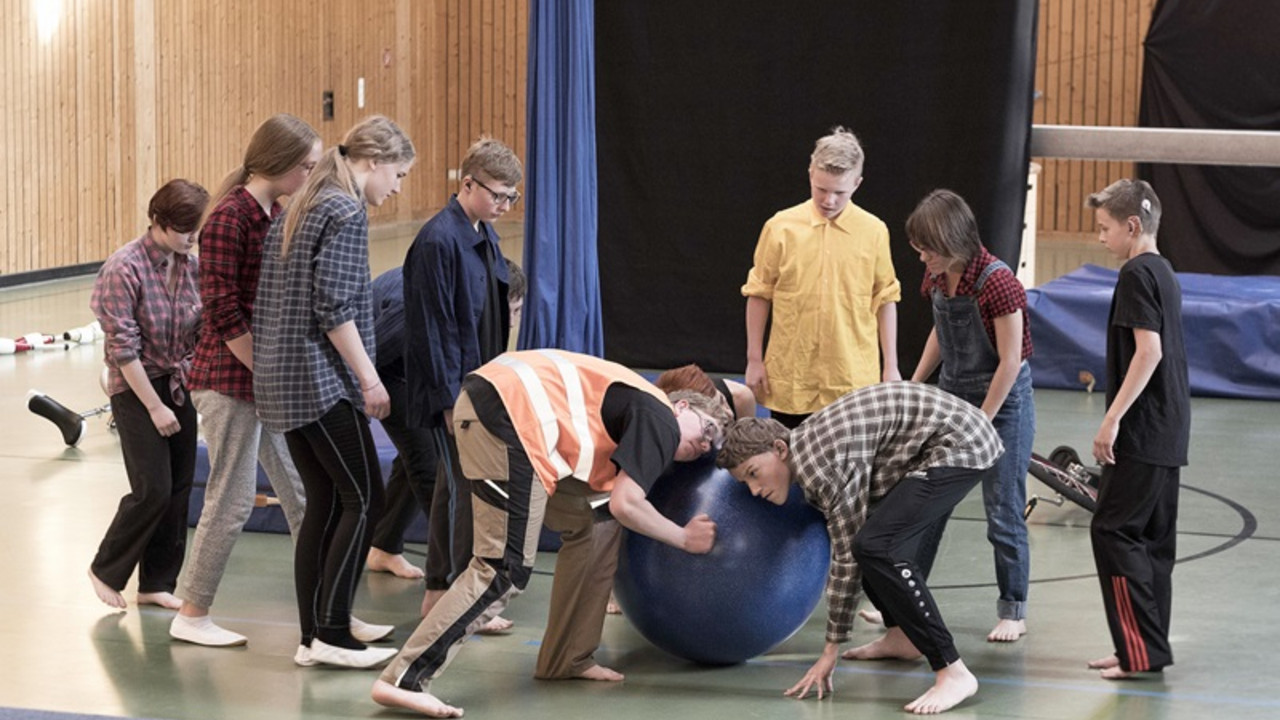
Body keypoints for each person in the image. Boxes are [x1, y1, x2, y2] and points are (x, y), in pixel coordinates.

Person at [371, 349, 732, 717]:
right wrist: (684, 538)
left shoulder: (639, 407)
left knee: (597, 523)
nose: (703, 445)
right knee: (503, 568)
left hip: (499, 408)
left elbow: (611, 506)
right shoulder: (662, 419)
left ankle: (567, 657)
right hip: (509, 416)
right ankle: (404, 679)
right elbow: (628, 502)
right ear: (683, 406)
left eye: (709, 447)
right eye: (707, 430)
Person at [715, 382, 1003, 715]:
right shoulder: (804, 449)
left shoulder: (819, 466)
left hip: (961, 443)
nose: (753, 490)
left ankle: (952, 670)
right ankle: (902, 637)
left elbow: (847, 556)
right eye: (744, 482)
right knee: (868, 539)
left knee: (875, 547)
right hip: (934, 442)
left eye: (754, 473)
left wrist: (830, 650)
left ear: (780, 449)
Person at [253, 115, 415, 669]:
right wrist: (369, 379)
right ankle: (330, 634)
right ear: (372, 162)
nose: (397, 188)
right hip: (317, 382)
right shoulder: (344, 209)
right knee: (365, 496)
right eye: (397, 173)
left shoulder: (306, 201)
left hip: (282, 380)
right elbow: (335, 309)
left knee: (325, 501)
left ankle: (315, 633)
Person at [169, 114, 320, 647]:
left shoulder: (273, 212)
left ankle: (323, 616)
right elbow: (223, 313)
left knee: (304, 495)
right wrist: (271, 369)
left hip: (260, 380)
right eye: (305, 165)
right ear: (278, 164)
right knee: (230, 499)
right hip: (227, 380)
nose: (310, 174)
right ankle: (191, 611)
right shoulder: (229, 218)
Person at [900, 189, 1036, 643]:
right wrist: (917, 382)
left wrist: (984, 418)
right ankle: (905, 601)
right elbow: (941, 334)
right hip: (953, 396)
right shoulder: (939, 277)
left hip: (1004, 402)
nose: (922, 258)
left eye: (928, 249)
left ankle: (1013, 609)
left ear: (953, 241)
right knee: (928, 503)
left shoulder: (997, 282)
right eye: (918, 249)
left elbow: (1010, 361)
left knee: (1002, 509)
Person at [404, 137, 520, 630]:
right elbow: (434, 329)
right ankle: (454, 594)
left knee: (453, 488)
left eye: (512, 198)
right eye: (498, 195)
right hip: (455, 394)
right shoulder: (438, 241)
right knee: (464, 491)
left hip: (479, 386)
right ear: (467, 183)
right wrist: (453, 403)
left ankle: (438, 591)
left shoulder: (482, 232)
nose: (504, 206)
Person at [87, 179, 210, 611]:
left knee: (179, 487)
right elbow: (123, 348)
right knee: (152, 488)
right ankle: (106, 568)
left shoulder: (190, 265)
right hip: (136, 385)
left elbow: (200, 328)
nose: (191, 238)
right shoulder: (124, 268)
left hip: (177, 381)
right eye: (183, 230)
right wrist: (154, 406)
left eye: (196, 229)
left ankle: (157, 582)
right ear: (158, 222)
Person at [1084, 179, 1189, 679]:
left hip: (1144, 432)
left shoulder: (1134, 274)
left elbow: (1150, 351)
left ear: (1132, 226)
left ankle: (1138, 651)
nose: (1100, 238)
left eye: (1105, 228)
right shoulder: (1164, 270)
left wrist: (1112, 418)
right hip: (1170, 432)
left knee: (1112, 530)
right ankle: (1145, 647)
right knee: (1150, 543)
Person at [366, 260, 526, 580]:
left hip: (412, 370)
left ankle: (383, 545)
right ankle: (457, 578)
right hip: (382, 369)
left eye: (518, 310)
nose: (511, 321)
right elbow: (370, 356)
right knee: (431, 465)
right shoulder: (417, 306)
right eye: (508, 310)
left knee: (418, 456)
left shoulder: (474, 302)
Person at [742, 126, 902, 429]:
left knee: (846, 470)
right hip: (793, 376)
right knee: (788, 461)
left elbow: (885, 298)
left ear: (857, 183)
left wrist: (891, 366)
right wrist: (754, 359)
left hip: (851, 377)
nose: (828, 200)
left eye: (839, 192)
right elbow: (759, 293)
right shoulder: (780, 227)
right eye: (821, 189)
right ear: (810, 174)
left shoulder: (874, 231)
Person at [654, 363, 757, 420]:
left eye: (722, 401)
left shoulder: (741, 396)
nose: (729, 413)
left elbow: (748, 449)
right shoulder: (664, 419)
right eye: (717, 410)